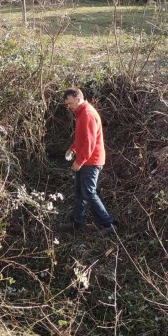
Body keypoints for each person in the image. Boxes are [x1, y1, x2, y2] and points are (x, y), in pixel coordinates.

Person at [62, 87, 117, 231]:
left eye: (70, 103)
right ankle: (77, 222)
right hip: (86, 159)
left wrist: (79, 162)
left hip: (91, 161)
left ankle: (108, 223)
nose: (69, 107)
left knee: (89, 192)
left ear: (78, 99)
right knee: (81, 191)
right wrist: (72, 148)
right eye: (67, 104)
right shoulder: (81, 113)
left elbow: (90, 143)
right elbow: (82, 138)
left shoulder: (87, 114)